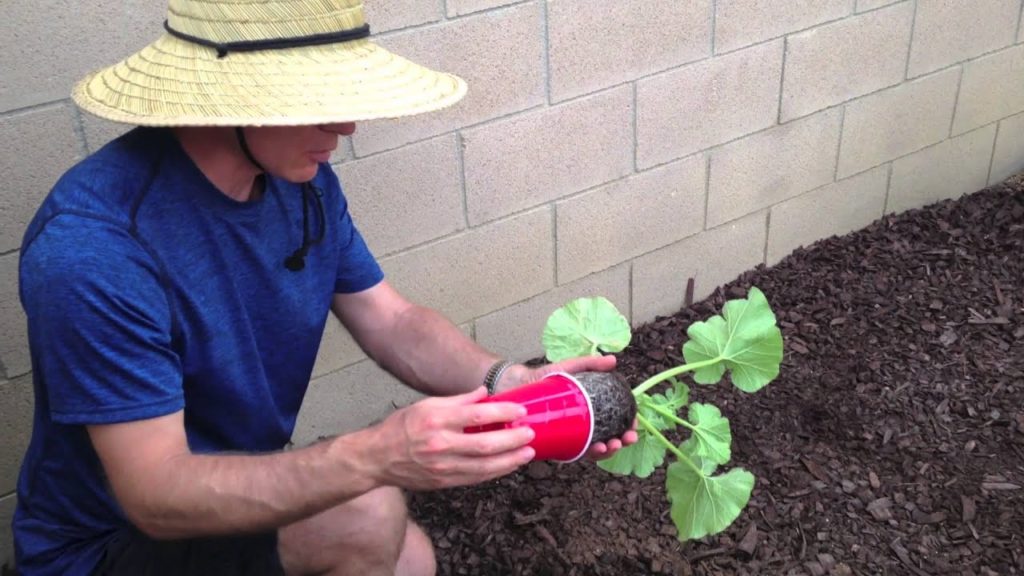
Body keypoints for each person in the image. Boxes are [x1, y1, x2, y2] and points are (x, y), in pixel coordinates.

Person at [12, 1, 637, 575]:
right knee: (365, 515)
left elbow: (391, 321)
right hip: (105, 548)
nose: (347, 125)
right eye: (317, 100)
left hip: (227, 499)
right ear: (230, 99)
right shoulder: (95, 251)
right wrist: (373, 457)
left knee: (410, 559)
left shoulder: (298, 181)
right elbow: (156, 496)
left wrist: (505, 381)